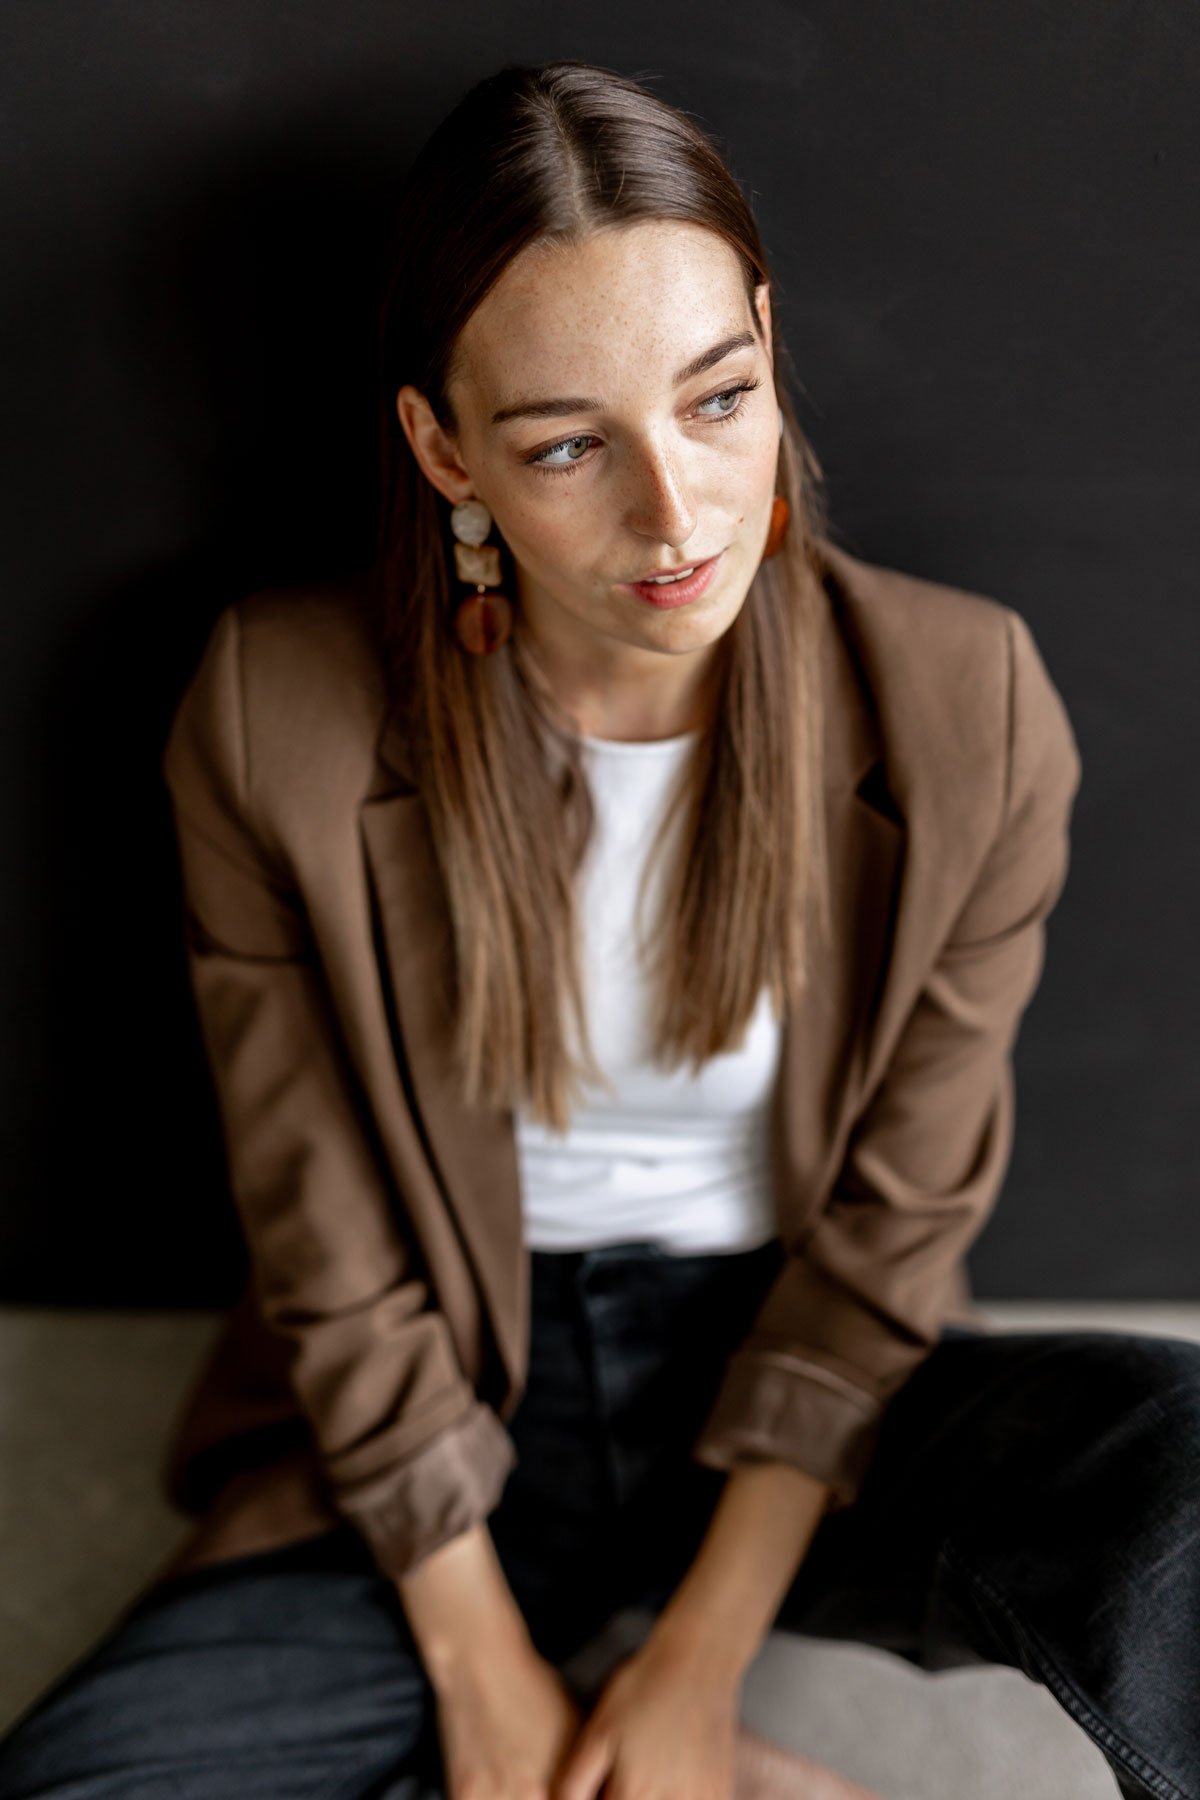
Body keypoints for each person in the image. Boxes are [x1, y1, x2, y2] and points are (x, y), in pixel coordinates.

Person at [1, 55, 1195, 1800]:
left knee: (1184, 1479)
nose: (678, 514)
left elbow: (897, 1224)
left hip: (799, 1397)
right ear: (442, 450)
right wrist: (481, 1668)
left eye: (718, 398)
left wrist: (698, 1672)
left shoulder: (966, 704)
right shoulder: (279, 716)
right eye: (568, 445)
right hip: (438, 1420)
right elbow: (326, 1240)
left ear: (770, 342)